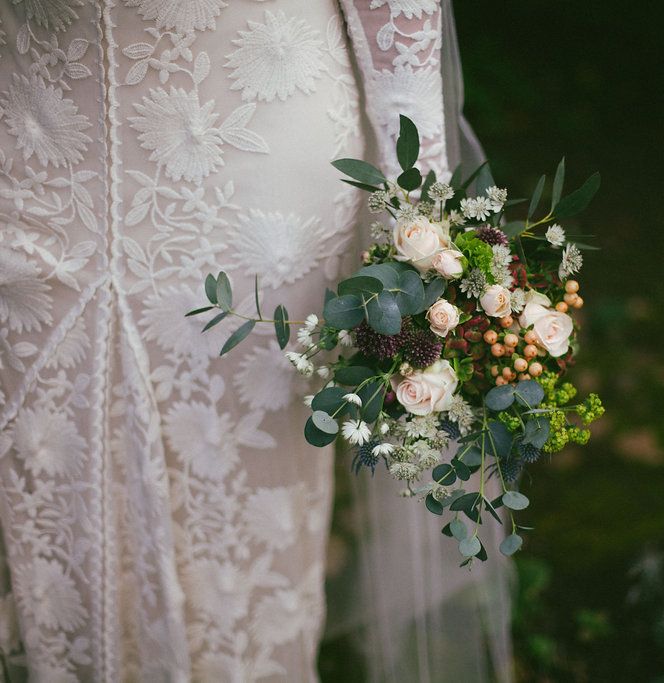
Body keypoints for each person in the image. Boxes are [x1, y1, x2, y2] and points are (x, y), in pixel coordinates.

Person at [0, 1, 511, 680]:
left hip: (248, 170)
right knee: (46, 482)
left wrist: (422, 214)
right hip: (35, 156)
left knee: (238, 524)